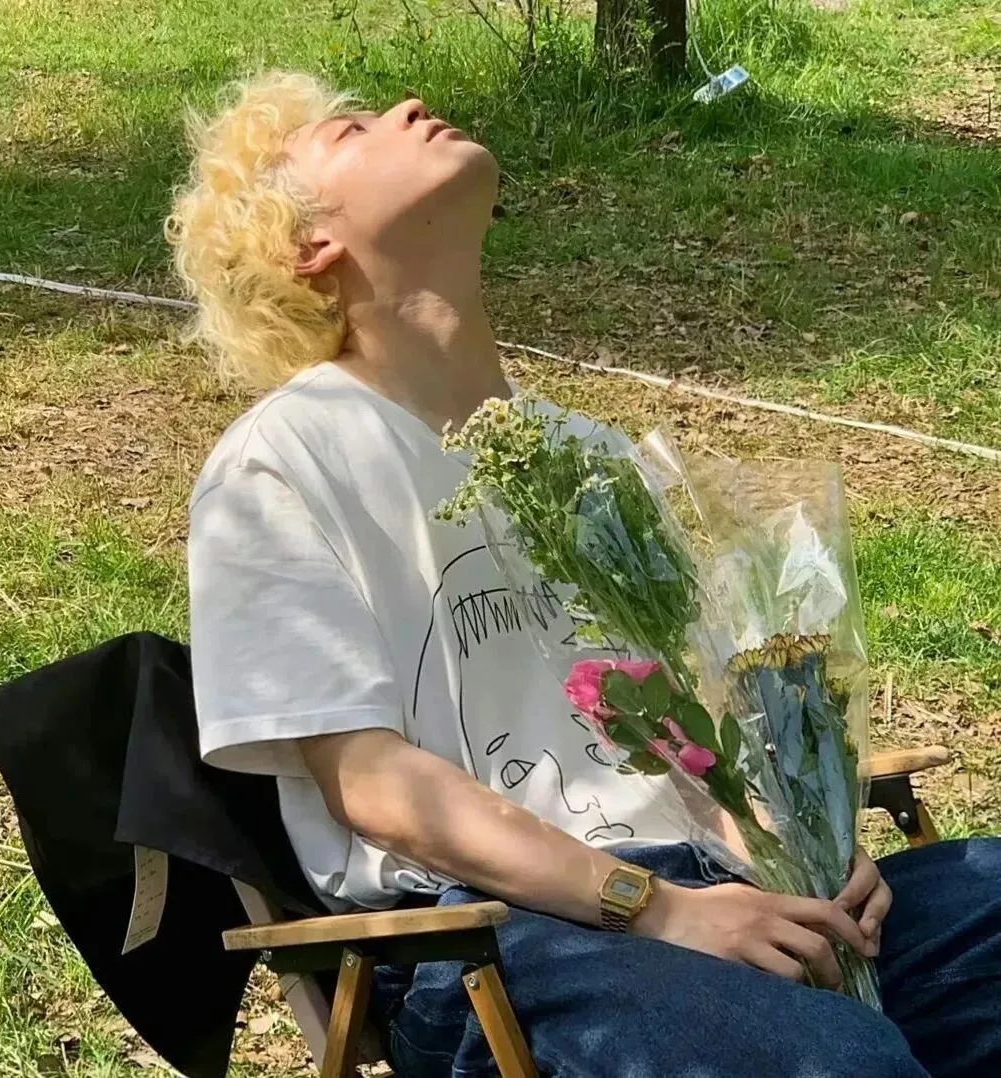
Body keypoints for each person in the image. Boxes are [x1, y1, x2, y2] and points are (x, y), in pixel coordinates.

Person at [168, 70, 1001, 1078]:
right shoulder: (280, 465)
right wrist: (656, 910)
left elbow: (693, 724)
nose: (406, 108)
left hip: (726, 891)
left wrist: (800, 841)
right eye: (351, 131)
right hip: (497, 937)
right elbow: (374, 785)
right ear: (307, 247)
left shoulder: (589, 456)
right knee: (829, 1061)